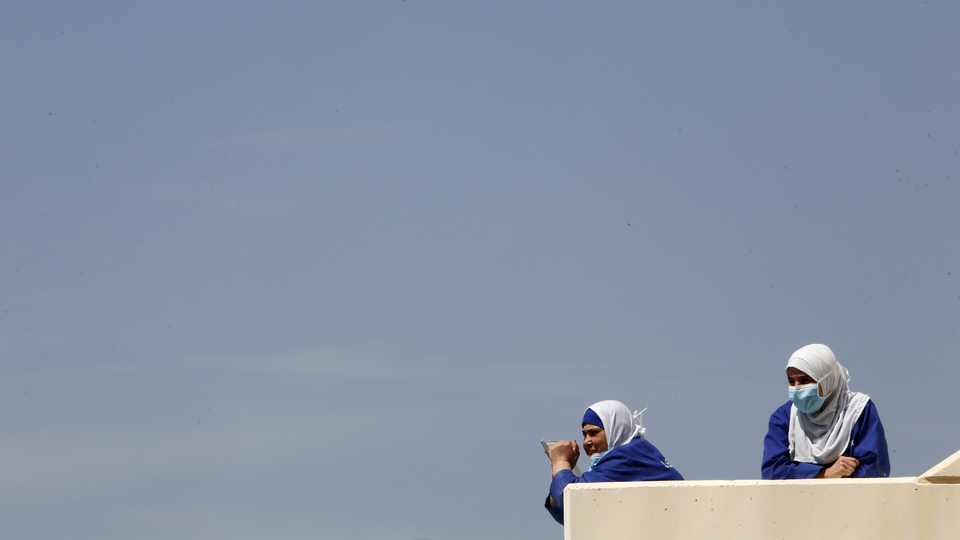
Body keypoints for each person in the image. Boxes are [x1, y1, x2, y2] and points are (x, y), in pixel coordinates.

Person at [762, 343, 890, 479]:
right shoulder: (785, 416)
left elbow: (872, 469)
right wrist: (825, 474)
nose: (797, 388)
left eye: (805, 381)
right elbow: (772, 471)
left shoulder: (858, 410)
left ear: (827, 380)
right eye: (791, 382)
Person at [545, 399, 683, 525]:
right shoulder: (637, 452)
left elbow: (571, 498)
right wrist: (558, 470)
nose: (586, 441)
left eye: (594, 433)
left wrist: (560, 461)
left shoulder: (626, 458)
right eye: (584, 434)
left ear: (615, 431)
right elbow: (568, 515)